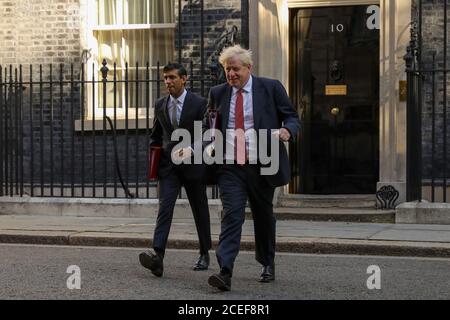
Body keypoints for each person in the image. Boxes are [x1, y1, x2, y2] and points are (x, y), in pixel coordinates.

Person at [204, 45, 300, 291]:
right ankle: (225, 270)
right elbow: (211, 125)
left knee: (263, 215)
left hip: (262, 164)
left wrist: (287, 130)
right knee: (232, 215)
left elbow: (291, 116)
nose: (231, 74)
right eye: (227, 69)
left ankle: (267, 262)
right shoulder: (218, 93)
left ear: (249, 68)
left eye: (235, 69)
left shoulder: (270, 87)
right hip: (230, 167)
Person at [139, 63, 212, 277]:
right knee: (165, 208)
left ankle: (204, 252)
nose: (168, 82)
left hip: (193, 164)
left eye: (172, 77)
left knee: (200, 208)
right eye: (165, 78)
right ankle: (158, 255)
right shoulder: (160, 104)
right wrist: (156, 157)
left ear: (184, 78)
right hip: (169, 167)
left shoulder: (199, 103)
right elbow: (156, 133)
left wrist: (192, 149)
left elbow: (206, 130)